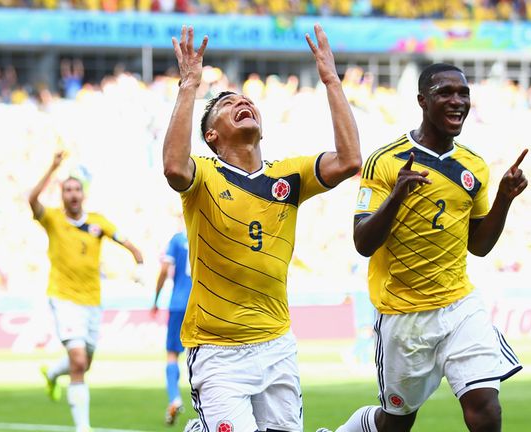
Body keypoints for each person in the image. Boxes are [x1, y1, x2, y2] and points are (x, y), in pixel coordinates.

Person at [162, 24, 361, 432]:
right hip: (217, 349)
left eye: (247, 101)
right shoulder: (203, 174)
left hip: (276, 345)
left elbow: (349, 160)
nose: (243, 103)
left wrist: (331, 80)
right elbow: (173, 167)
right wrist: (189, 85)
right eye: (229, 103)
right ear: (212, 135)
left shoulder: (289, 176)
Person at [320, 63, 528, 432]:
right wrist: (397, 195)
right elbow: (363, 242)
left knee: (485, 408)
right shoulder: (385, 161)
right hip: (404, 315)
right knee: (395, 424)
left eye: (463, 93)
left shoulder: (473, 166)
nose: (457, 101)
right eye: (445, 93)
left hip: (459, 306)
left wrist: (504, 199)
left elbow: (478, 246)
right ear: (422, 101)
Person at [32, 151, 144, 432]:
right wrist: (52, 167)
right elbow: (31, 201)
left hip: (92, 301)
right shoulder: (53, 219)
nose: (72, 194)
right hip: (64, 298)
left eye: (76, 190)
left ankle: (53, 373)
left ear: (83, 194)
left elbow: (129, 244)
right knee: (79, 362)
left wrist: (139, 263)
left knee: (83, 363)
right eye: (67, 190)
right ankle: (84, 428)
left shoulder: (97, 222)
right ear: (61, 195)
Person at [152, 228, 193, 426]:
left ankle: (174, 398)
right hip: (202, 304)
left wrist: (156, 298)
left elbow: (163, 269)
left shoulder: (177, 239)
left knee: (172, 354)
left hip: (178, 303)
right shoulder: (207, 230)